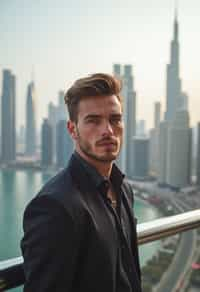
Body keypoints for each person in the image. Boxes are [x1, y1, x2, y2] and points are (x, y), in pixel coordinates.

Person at [21, 73, 142, 292]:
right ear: (72, 129)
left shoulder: (123, 189)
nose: (108, 130)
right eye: (93, 120)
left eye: (115, 119)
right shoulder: (54, 206)